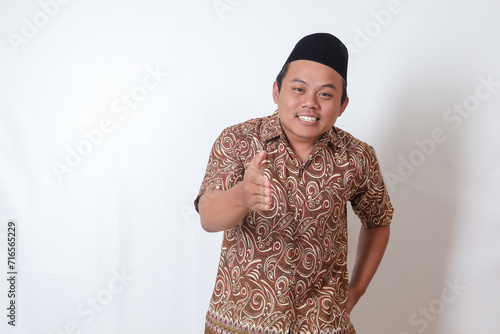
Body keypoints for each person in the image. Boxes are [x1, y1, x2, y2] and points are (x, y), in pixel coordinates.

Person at [194, 33, 394, 334]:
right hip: (239, 324)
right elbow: (208, 218)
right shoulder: (237, 140)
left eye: (325, 95)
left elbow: (378, 220)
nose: (310, 103)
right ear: (276, 91)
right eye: (298, 89)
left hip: (324, 325)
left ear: (343, 104)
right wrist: (243, 196)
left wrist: (356, 290)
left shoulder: (357, 156)